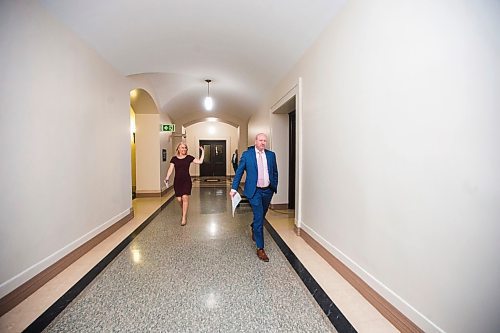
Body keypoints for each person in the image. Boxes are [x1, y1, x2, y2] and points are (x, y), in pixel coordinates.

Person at [230, 133, 278, 262]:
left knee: (262, 214)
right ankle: (260, 248)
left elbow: (274, 172)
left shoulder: (271, 155)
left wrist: (274, 185)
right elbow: (239, 171)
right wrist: (234, 188)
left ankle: (253, 226)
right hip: (254, 191)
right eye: (260, 140)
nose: (263, 143)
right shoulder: (247, 155)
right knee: (258, 217)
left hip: (268, 191)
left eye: (265, 141)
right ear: (255, 141)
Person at [165, 142, 204, 226]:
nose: (184, 149)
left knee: (185, 197)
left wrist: (203, 151)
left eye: (185, 148)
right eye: (182, 148)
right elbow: (170, 169)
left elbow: (200, 162)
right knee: (179, 199)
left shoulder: (189, 158)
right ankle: (184, 210)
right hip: (177, 181)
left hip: (186, 180)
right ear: (178, 149)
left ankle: (184, 217)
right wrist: (167, 177)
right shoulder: (174, 159)